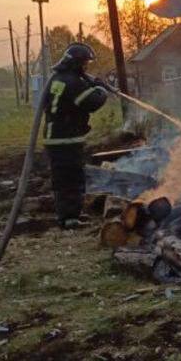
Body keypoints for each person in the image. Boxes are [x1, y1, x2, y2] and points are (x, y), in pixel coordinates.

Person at [42, 43, 110, 228]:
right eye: (85, 63)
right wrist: (101, 89)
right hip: (66, 139)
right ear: (77, 64)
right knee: (72, 179)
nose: (86, 67)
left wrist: (91, 83)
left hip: (56, 138)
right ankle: (69, 219)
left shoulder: (59, 79)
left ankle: (68, 216)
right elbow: (93, 102)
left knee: (63, 179)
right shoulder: (73, 82)